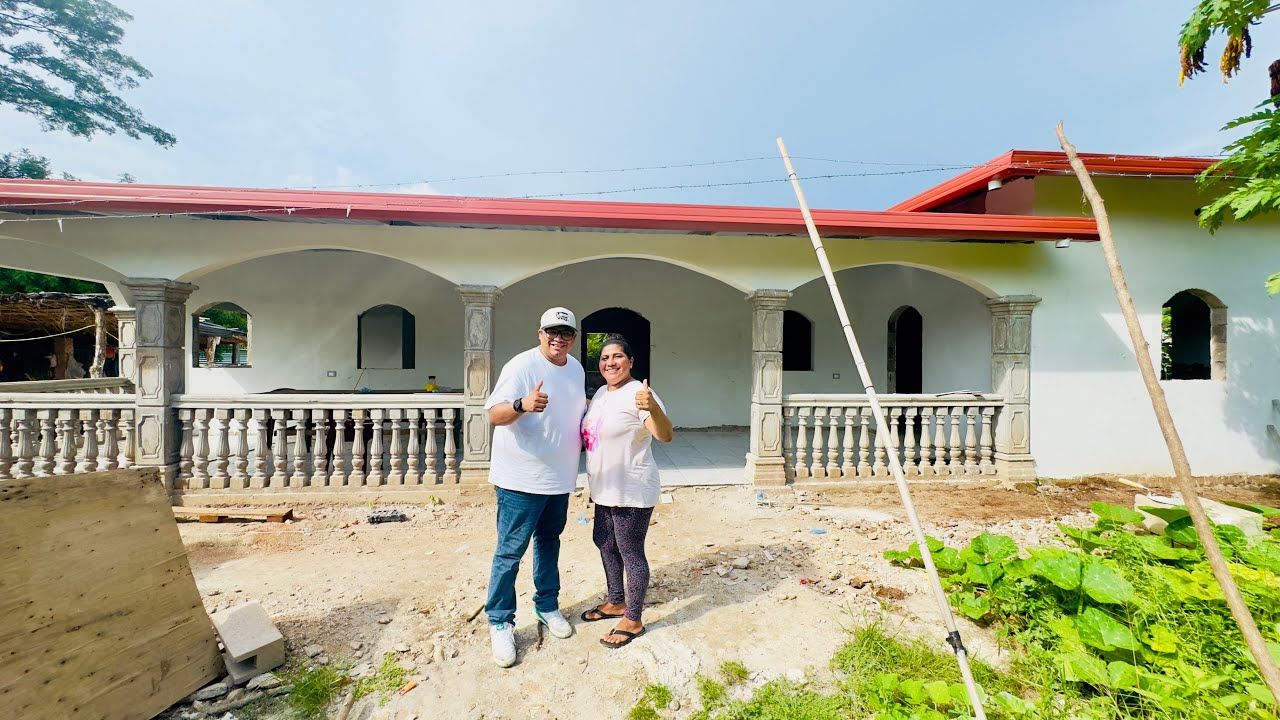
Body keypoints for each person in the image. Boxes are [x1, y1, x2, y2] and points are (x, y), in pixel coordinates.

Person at [482, 306, 587, 668]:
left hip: (559, 479)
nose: (559, 339)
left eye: (566, 333)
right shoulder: (521, 366)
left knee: (549, 543)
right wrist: (521, 404)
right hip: (520, 480)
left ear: (573, 337)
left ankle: (547, 606)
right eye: (552, 332)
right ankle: (500, 621)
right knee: (510, 553)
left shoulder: (575, 368)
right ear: (540, 333)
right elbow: (494, 414)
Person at [578, 334, 673, 649]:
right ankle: (616, 601)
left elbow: (664, 434)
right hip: (604, 487)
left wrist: (652, 409)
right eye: (604, 358)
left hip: (632, 487)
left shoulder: (640, 394)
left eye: (617, 356)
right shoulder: (603, 393)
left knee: (630, 550)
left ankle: (633, 618)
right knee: (604, 542)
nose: (610, 362)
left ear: (631, 361)